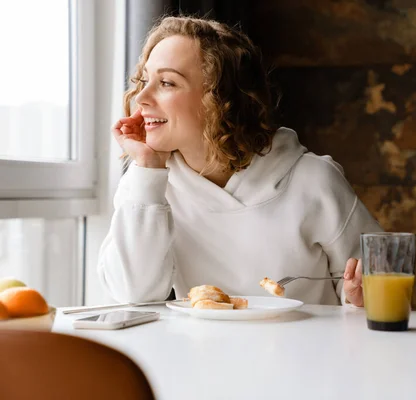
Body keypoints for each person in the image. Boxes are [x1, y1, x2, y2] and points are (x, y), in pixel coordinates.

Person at [98, 16, 383, 307]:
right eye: (144, 80)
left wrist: (360, 299)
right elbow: (133, 295)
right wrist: (147, 170)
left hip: (308, 352)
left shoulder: (313, 180)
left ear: (219, 100)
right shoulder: (148, 182)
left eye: (167, 82)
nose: (142, 97)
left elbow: (379, 285)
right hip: (199, 352)